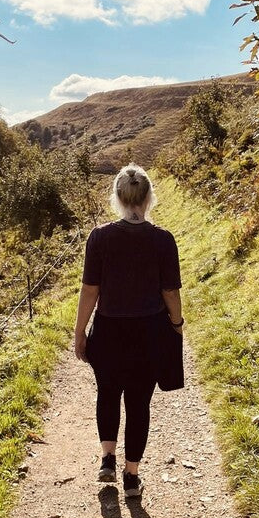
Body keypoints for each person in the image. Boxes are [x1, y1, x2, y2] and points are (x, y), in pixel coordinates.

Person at [74, 163, 184, 498]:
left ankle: (107, 458)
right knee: (139, 403)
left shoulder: (100, 237)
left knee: (107, 393)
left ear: (118, 198)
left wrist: (80, 332)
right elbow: (170, 293)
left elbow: (90, 290)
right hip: (149, 333)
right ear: (149, 197)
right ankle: (132, 477)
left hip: (108, 331)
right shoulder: (163, 240)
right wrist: (177, 325)